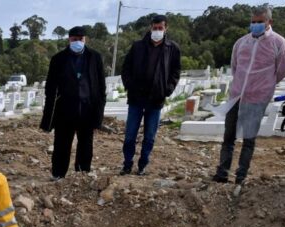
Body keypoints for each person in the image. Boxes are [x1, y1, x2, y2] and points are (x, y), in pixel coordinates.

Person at [213, 4, 285, 191]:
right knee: (228, 136)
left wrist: (263, 86)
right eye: (252, 22)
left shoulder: (279, 43)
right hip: (237, 95)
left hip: (257, 97)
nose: (255, 25)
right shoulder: (241, 42)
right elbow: (235, 67)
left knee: (248, 139)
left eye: (259, 22)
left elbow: (279, 72)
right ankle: (222, 174)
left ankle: (240, 176)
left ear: (269, 22)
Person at [40, 26, 106, 181]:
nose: (77, 42)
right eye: (74, 39)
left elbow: (100, 86)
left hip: (87, 108)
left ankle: (82, 174)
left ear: (85, 39)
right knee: (62, 143)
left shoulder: (95, 57)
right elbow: (50, 87)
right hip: (65, 109)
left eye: (80, 39)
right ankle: (58, 174)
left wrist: (99, 111)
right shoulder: (58, 59)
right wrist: (49, 114)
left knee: (86, 143)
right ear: (69, 40)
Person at [120, 15, 181, 176]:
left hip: (156, 100)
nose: (157, 31)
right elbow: (125, 68)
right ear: (150, 28)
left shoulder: (172, 48)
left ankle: (142, 165)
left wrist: (167, 89)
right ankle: (127, 164)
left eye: (160, 28)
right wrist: (129, 86)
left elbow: (176, 71)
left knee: (149, 137)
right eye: (155, 28)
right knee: (130, 135)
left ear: (166, 28)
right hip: (136, 99)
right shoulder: (138, 46)